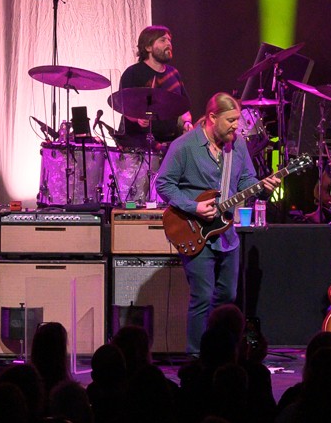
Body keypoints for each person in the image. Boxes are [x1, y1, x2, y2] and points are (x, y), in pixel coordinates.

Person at [154, 92, 282, 355]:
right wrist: (194, 207)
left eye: (238, 120)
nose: (237, 125)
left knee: (226, 297)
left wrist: (262, 188)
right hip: (194, 229)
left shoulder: (238, 145)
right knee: (202, 297)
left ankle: (220, 353)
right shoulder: (184, 146)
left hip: (226, 234)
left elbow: (246, 181)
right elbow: (163, 183)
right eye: (231, 120)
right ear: (212, 117)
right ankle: (196, 357)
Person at [116, 25, 192, 145]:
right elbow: (124, 107)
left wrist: (187, 123)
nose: (168, 43)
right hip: (138, 143)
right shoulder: (133, 73)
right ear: (148, 47)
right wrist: (137, 118)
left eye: (169, 40)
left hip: (170, 143)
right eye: (162, 40)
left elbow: (183, 107)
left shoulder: (174, 73)